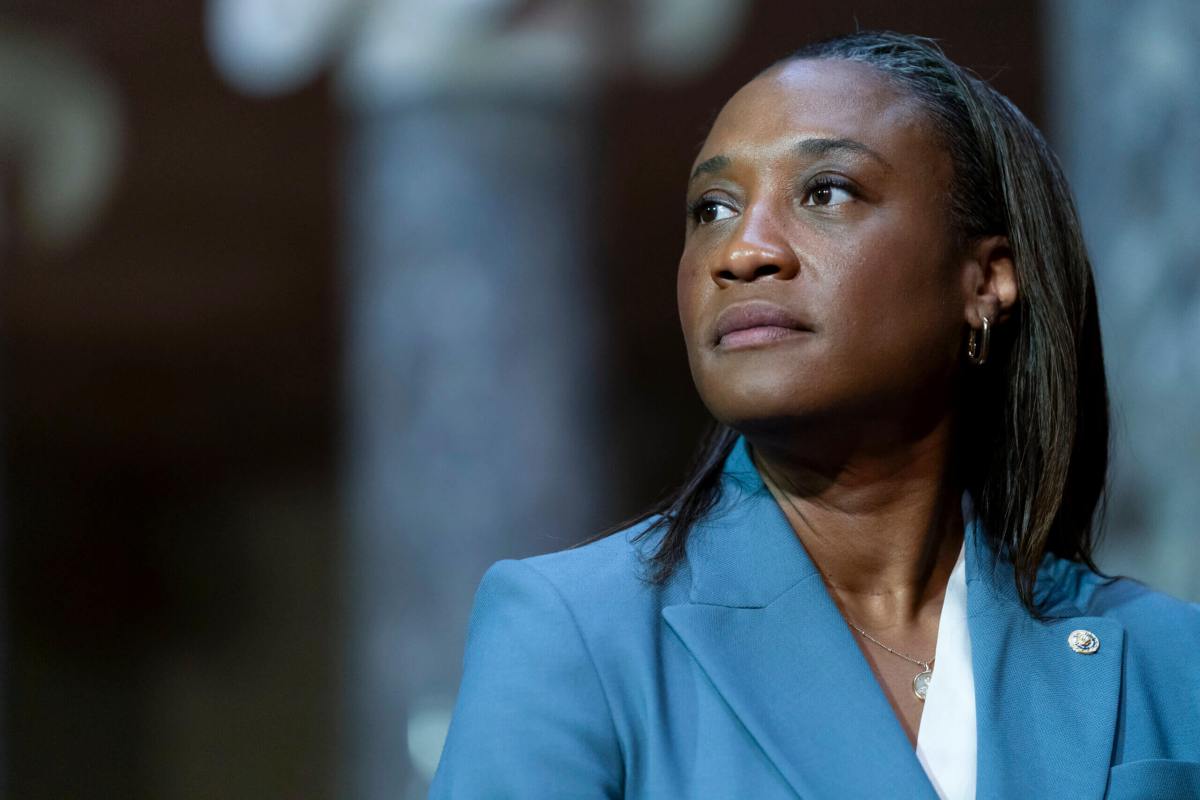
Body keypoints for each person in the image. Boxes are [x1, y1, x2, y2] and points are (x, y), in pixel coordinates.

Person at [429, 31, 1200, 799]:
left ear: (986, 279)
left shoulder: (1168, 659)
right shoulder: (572, 634)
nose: (743, 251)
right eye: (713, 208)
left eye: (826, 191)